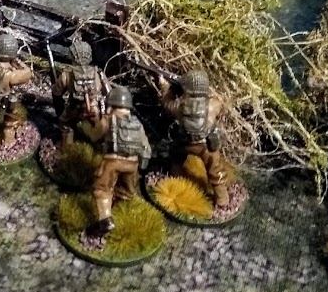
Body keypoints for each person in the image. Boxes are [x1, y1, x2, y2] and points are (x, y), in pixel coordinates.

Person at [155, 69, 231, 208]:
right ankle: (222, 199)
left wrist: (164, 86)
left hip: (186, 143)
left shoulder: (181, 106)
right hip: (207, 146)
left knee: (175, 157)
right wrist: (214, 94)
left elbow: (167, 103)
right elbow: (222, 103)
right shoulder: (213, 105)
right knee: (215, 171)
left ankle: (177, 178)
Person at [87, 86, 151, 237]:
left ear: (111, 105)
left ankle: (105, 220)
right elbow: (146, 148)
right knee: (126, 192)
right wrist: (142, 166)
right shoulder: (137, 123)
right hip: (133, 164)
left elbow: (94, 136)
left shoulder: (108, 120)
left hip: (112, 162)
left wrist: (94, 122)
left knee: (102, 190)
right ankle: (119, 211)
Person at [51, 35, 108, 146]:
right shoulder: (98, 73)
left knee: (65, 124)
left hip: (74, 108)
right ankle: (99, 145)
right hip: (94, 107)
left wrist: (60, 108)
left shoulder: (67, 74)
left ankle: (68, 147)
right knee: (99, 127)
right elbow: (108, 93)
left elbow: (56, 93)